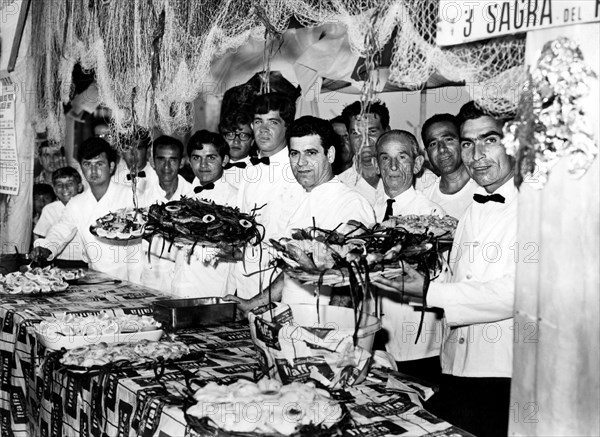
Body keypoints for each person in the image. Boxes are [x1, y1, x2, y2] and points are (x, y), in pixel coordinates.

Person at [373, 101, 518, 437]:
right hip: (456, 366)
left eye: (489, 140)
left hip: (506, 370)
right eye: (468, 143)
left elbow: (516, 292)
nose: (477, 154)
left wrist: (425, 290)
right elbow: (455, 278)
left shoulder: (537, 207)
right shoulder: (470, 212)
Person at [225, 115, 375, 313]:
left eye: (311, 153)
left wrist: (331, 328)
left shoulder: (351, 204)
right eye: (295, 154)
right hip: (293, 321)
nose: (301, 163)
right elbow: (292, 268)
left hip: (324, 325)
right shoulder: (304, 198)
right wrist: (253, 304)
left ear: (329, 155)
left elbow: (351, 278)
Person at [371, 129, 445, 381]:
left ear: (417, 164)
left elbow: (442, 279)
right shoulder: (370, 212)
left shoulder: (433, 216)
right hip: (376, 335)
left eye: (402, 157)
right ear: (377, 165)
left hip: (417, 342)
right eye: (385, 158)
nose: (392, 166)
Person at [30, 137, 141, 282]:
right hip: (95, 276)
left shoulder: (131, 196)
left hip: (131, 276)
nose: (93, 170)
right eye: (87, 164)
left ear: (111, 166)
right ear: (81, 168)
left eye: (99, 164)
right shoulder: (77, 203)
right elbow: (61, 230)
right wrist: (47, 248)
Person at [233, 93, 305, 300]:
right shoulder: (249, 170)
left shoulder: (297, 171)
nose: (263, 130)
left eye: (273, 122)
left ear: (286, 127)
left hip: (281, 285)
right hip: (245, 280)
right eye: (258, 122)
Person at [170, 130, 237, 298]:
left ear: (225, 160)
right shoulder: (183, 196)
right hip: (180, 285)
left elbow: (237, 251)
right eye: (196, 158)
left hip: (212, 289)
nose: (203, 165)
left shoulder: (235, 199)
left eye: (211, 157)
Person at [139, 135, 192, 292]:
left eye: (173, 159)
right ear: (152, 162)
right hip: (151, 279)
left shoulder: (193, 197)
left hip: (185, 278)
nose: (166, 166)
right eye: (161, 159)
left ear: (182, 162)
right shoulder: (142, 199)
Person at [420, 113, 478, 219]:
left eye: (448, 139)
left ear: (463, 142)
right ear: (426, 153)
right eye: (433, 144)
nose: (442, 149)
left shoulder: (484, 188)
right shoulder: (425, 198)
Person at [338, 100, 389, 205]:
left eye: (372, 131)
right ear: (348, 137)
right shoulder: (339, 185)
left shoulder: (413, 178)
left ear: (387, 132)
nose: (364, 140)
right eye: (356, 133)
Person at [33, 167, 85, 267]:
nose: (64, 188)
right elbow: (42, 236)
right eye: (59, 185)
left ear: (79, 187)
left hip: (82, 261)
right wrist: (40, 251)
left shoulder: (86, 206)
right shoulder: (49, 209)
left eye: (70, 184)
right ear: (54, 190)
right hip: (56, 260)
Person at [112, 128, 158, 197]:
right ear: (121, 153)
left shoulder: (158, 178)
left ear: (148, 151)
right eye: (127, 148)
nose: (133, 154)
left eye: (138, 148)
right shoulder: (114, 181)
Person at [219, 110, 256, 188]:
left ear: (252, 141)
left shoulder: (257, 171)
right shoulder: (211, 167)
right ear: (222, 138)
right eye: (230, 134)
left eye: (243, 135)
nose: (236, 141)